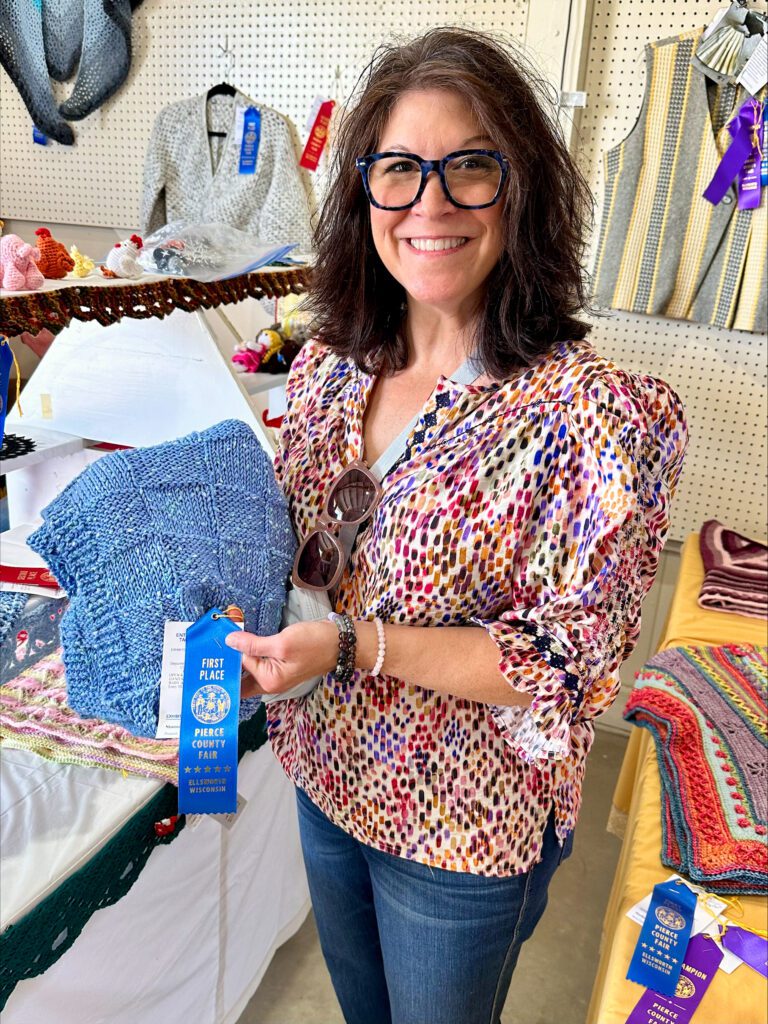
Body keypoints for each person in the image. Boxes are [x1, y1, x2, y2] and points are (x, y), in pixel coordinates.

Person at [226, 27, 688, 1024]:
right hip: (325, 775)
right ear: (364, 192)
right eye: (400, 169)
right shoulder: (326, 366)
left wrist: (352, 645)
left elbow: (570, 666)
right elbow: (303, 556)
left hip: (463, 828)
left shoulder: (593, 417)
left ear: (520, 191)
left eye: (469, 167)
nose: (429, 204)